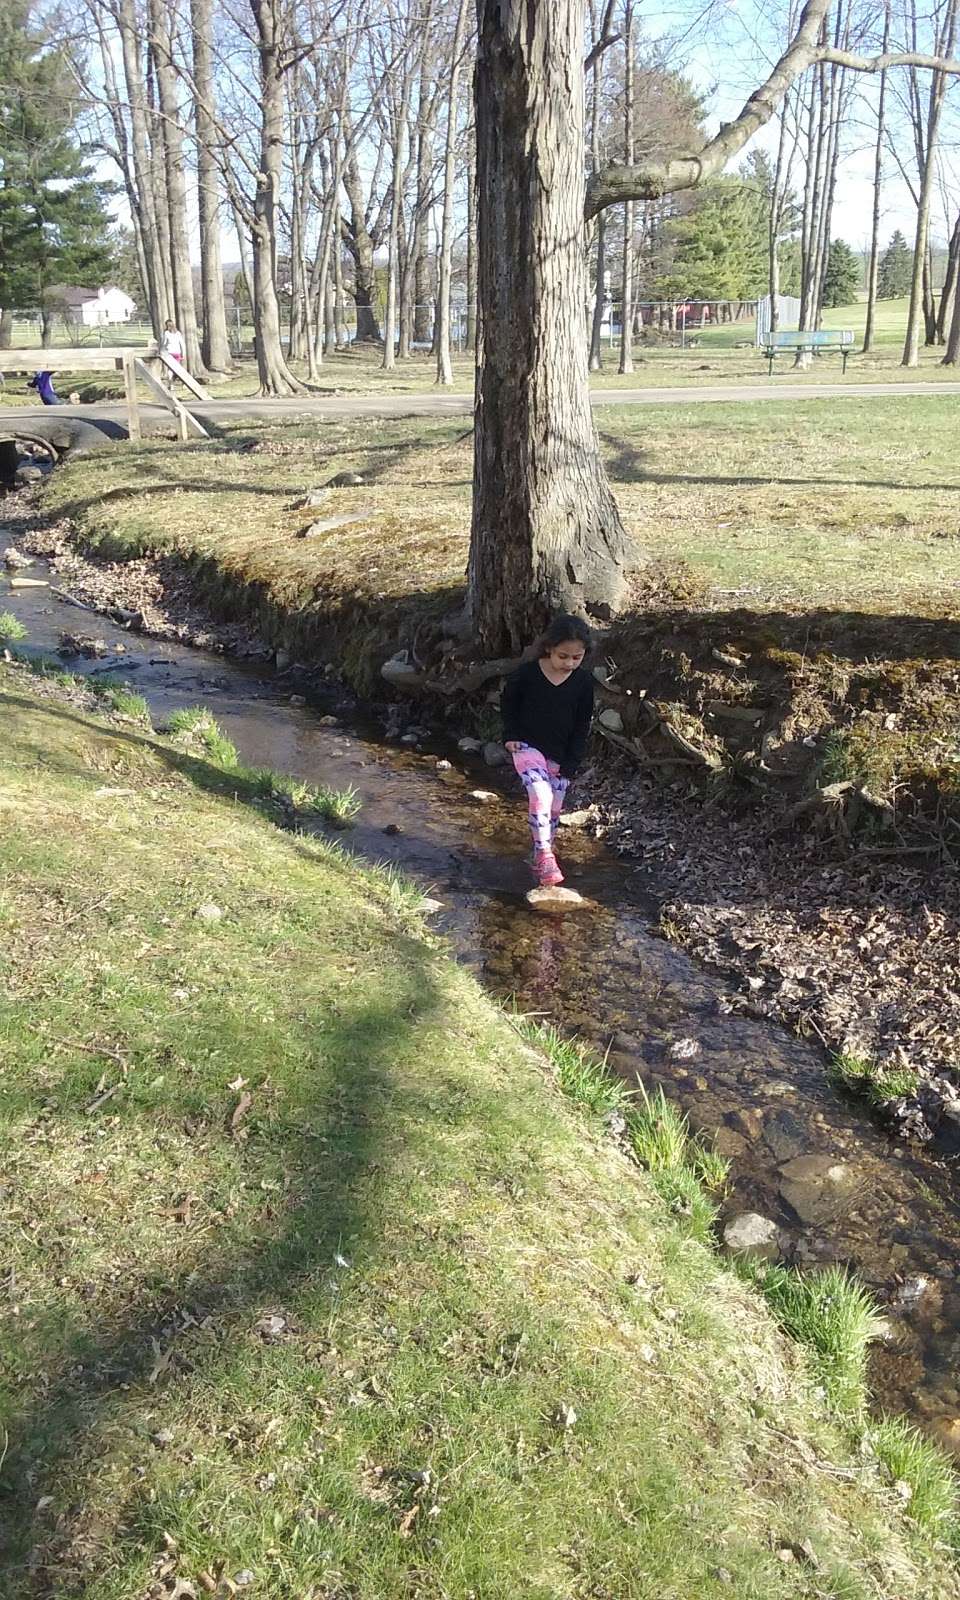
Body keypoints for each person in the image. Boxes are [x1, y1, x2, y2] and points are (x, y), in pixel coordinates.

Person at [501, 614, 594, 888]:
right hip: (526, 746)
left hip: (560, 753)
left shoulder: (584, 683)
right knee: (540, 795)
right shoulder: (527, 674)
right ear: (549, 648)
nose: (569, 663)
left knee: (553, 809)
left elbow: (582, 724)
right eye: (563, 656)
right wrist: (510, 736)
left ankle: (540, 862)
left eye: (577, 657)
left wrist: (571, 764)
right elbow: (509, 705)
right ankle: (544, 855)